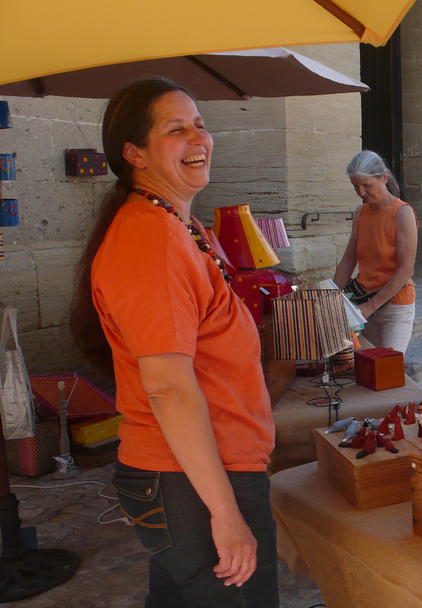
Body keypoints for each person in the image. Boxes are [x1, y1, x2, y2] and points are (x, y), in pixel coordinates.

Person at [68, 77, 278, 606]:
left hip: (206, 471)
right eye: (176, 129)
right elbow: (167, 387)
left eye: (201, 126)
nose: (198, 139)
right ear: (133, 152)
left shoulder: (181, 227)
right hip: (191, 481)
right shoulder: (150, 238)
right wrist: (225, 514)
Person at [333, 150, 418, 353]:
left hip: (394, 304)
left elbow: (406, 269)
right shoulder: (360, 212)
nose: (361, 192)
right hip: (363, 302)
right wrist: (332, 297)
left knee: (389, 368)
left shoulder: (402, 212)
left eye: (367, 185)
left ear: (384, 178)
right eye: (356, 186)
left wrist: (370, 306)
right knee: (366, 368)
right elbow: (348, 259)